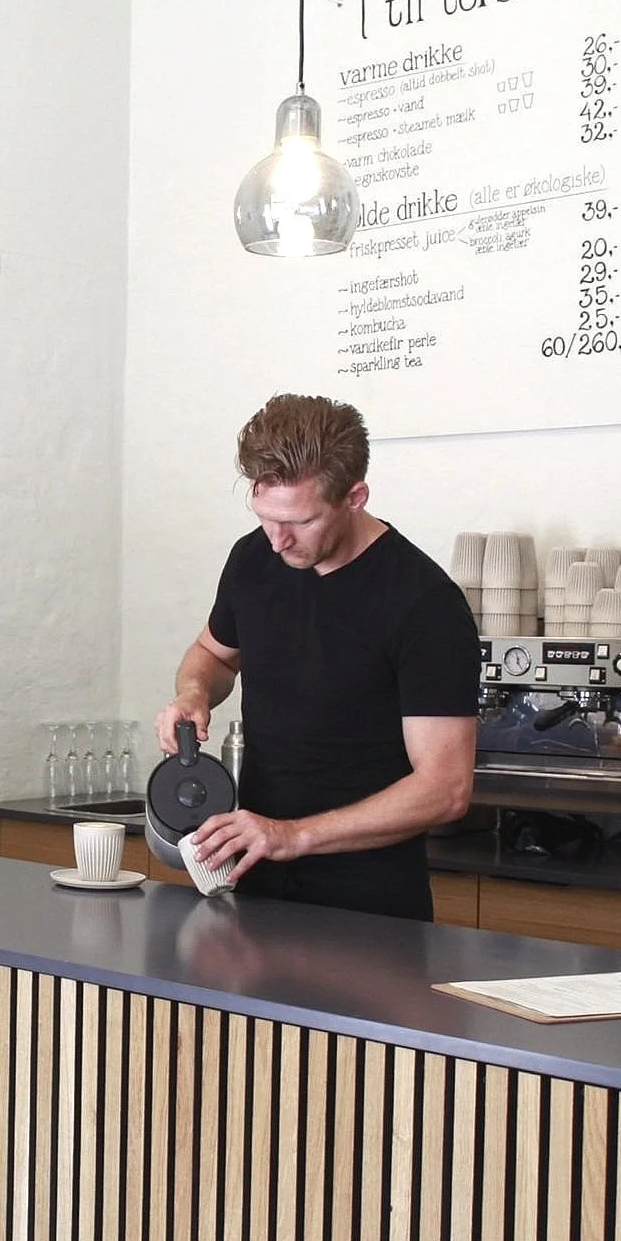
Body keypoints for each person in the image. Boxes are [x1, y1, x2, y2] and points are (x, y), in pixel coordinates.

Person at [154, 394, 479, 920]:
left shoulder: (423, 603)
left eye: (300, 522)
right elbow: (212, 654)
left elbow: (445, 789)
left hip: (371, 909)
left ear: (355, 496)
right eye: (265, 518)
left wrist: (292, 836)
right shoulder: (253, 559)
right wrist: (193, 694)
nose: (278, 541)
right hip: (256, 885)